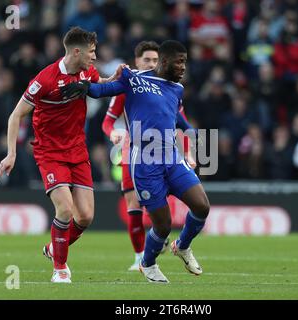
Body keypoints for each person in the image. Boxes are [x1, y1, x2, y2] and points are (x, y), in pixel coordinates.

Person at [61, 40, 210, 283]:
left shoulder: (177, 89)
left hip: (171, 157)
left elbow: (176, 120)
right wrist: (84, 86)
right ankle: (147, 264)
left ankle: (182, 246)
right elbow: (103, 91)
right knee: (162, 225)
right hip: (145, 161)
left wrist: (193, 136)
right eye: (180, 61)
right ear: (164, 61)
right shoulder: (134, 78)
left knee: (202, 206)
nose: (183, 67)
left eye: (185, 62)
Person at [0, 27, 123, 283]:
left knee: (85, 216)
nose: (94, 57)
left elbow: (100, 85)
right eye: (91, 52)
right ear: (76, 51)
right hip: (50, 152)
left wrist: (114, 78)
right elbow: (16, 115)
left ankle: (54, 248)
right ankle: (60, 268)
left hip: (77, 149)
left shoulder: (87, 71)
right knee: (65, 209)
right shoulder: (45, 79)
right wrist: (11, 154)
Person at [101, 40, 194, 271]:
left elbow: (179, 124)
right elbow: (107, 121)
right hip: (132, 151)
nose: (152, 64)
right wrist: (112, 133)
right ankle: (139, 256)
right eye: (147, 60)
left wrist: (189, 153)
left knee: (163, 205)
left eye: (155, 60)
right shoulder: (130, 84)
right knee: (133, 203)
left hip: (164, 154)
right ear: (136, 62)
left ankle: (160, 241)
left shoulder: (168, 88)